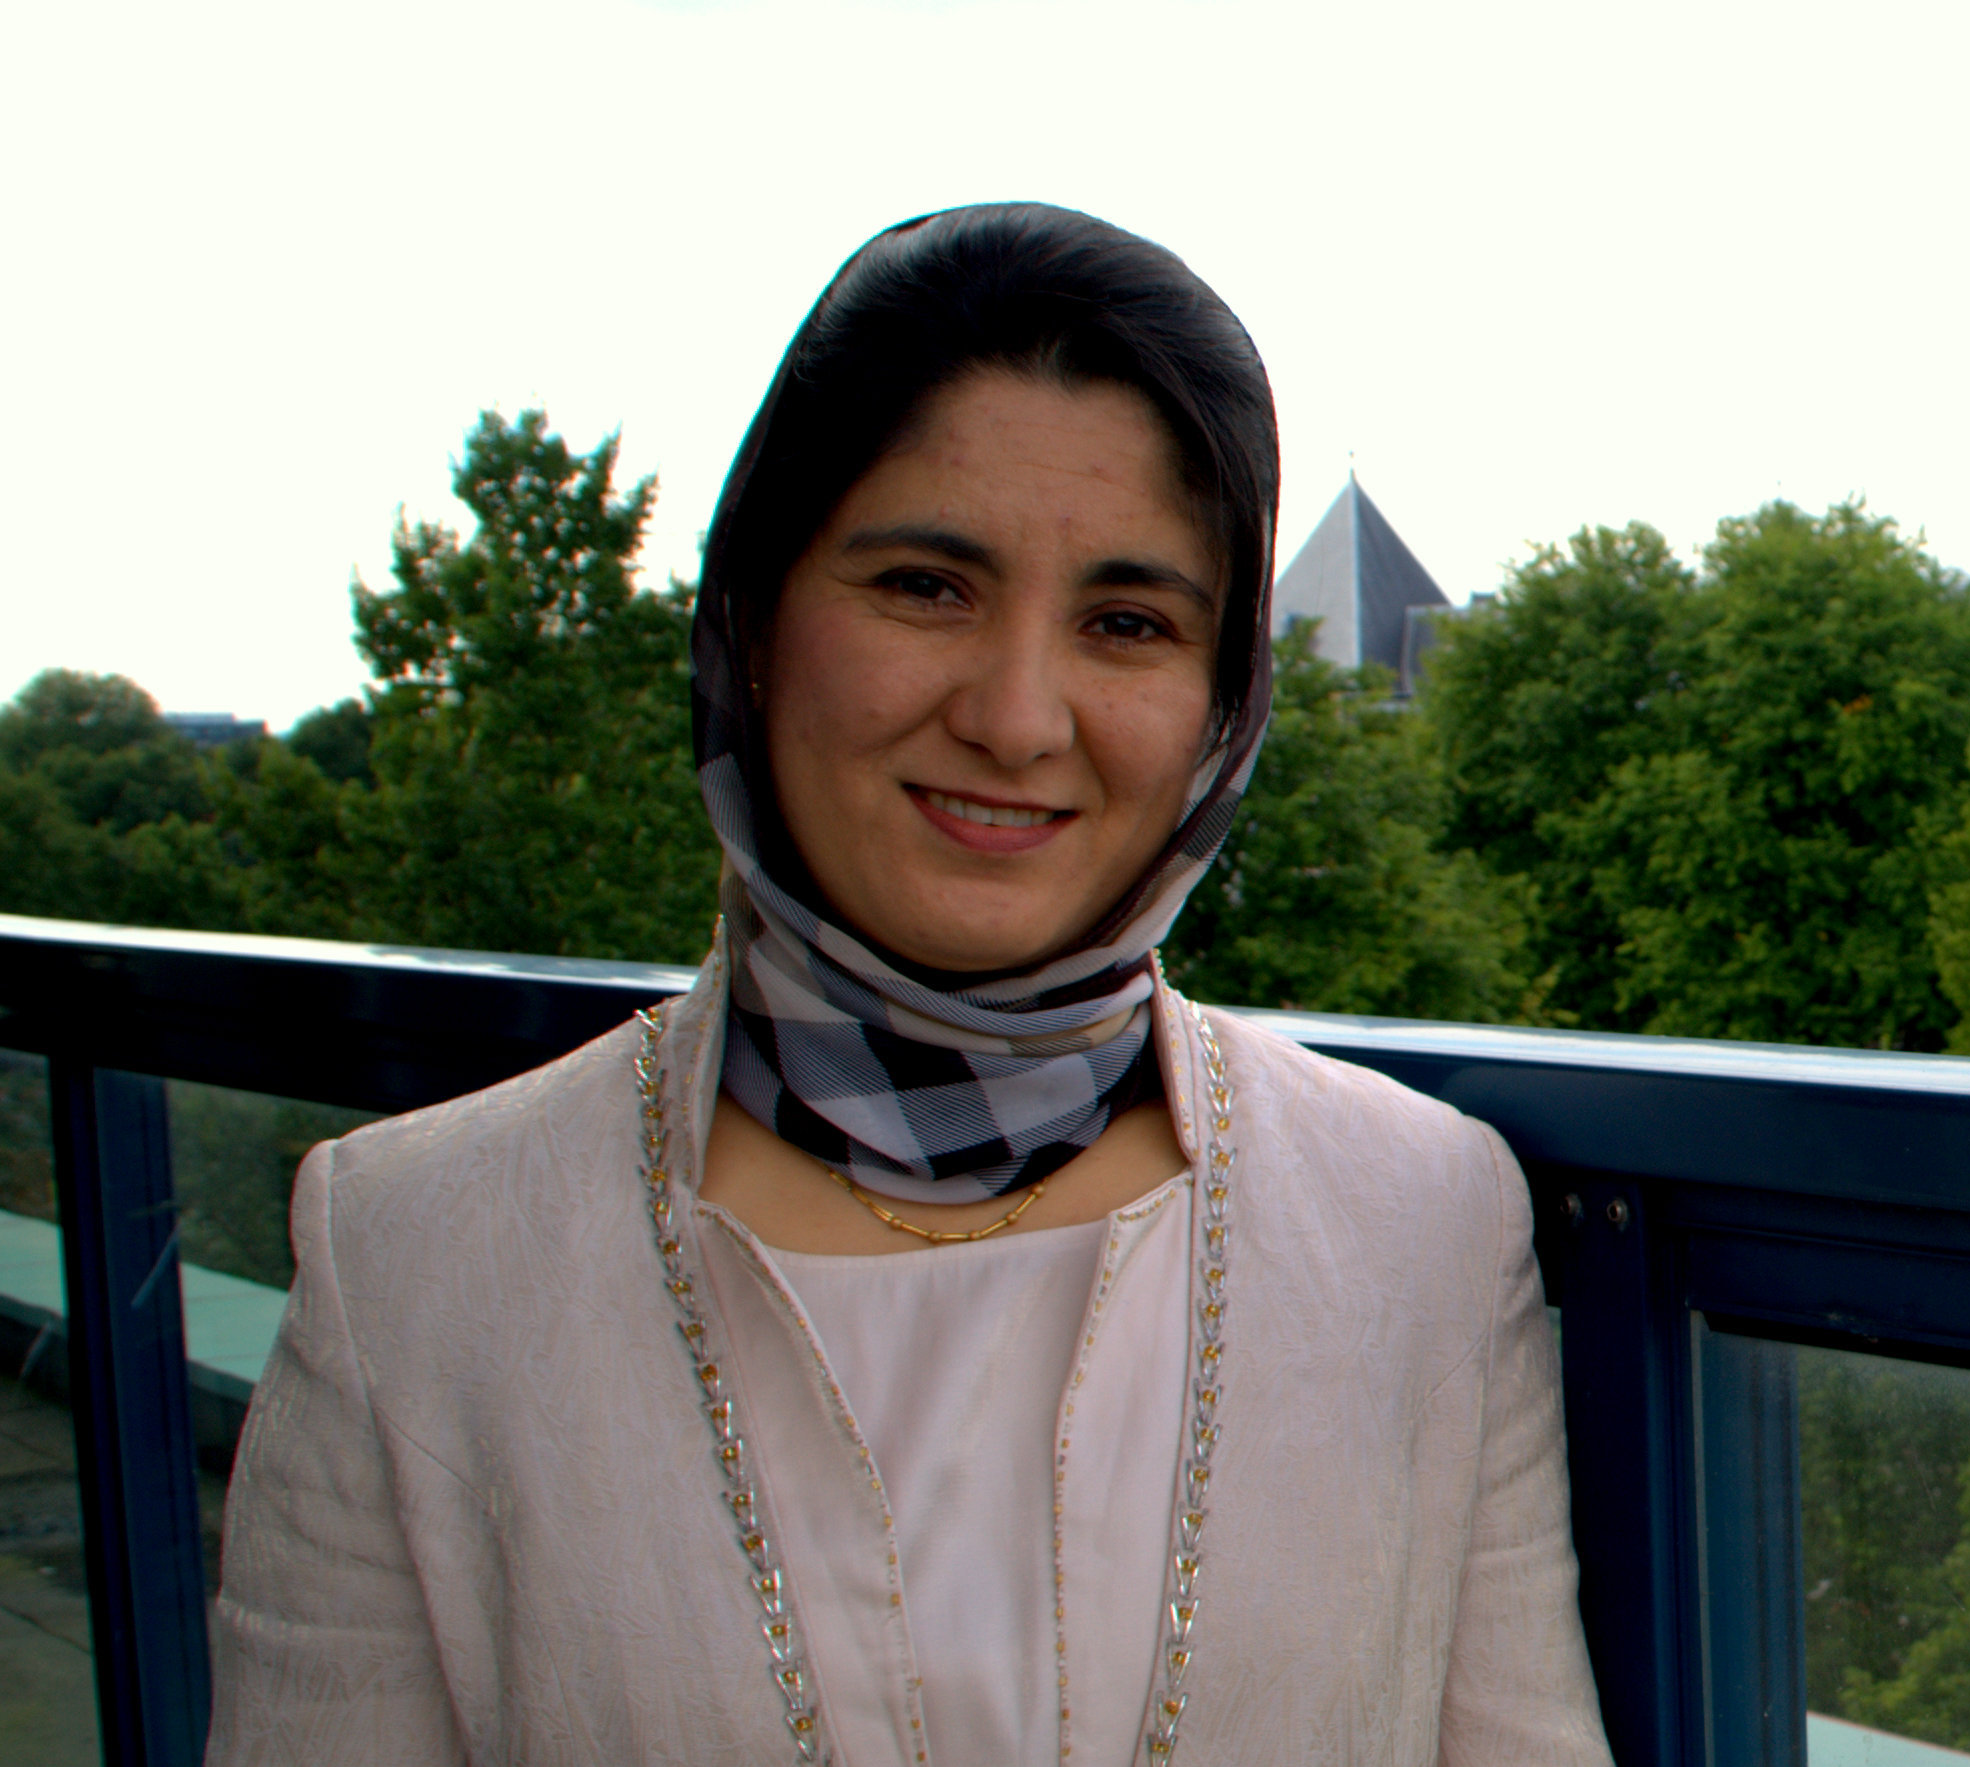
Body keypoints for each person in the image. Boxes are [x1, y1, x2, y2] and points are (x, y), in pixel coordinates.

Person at [207, 205, 1609, 1766]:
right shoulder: (412, 1258)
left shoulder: (1423, 1222)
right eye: (927, 587)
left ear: (1221, 708)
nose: (1017, 717)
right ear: (752, 617)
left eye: (1127, 624)